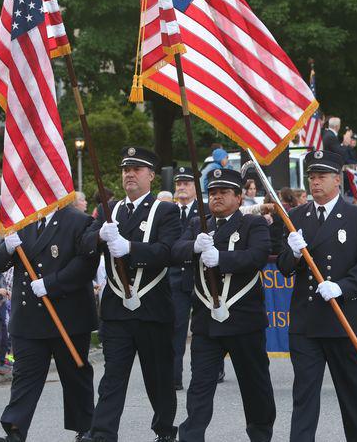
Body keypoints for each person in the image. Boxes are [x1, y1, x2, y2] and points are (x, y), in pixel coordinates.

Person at [276, 150, 357, 442]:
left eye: (321, 176)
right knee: (304, 396)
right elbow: (283, 267)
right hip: (306, 323)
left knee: (352, 396)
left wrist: (343, 287)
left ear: (337, 179)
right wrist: (294, 253)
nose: (315, 182)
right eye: (311, 176)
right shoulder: (296, 216)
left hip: (342, 318)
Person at [82, 147, 180, 442]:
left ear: (151, 175)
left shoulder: (165, 210)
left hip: (152, 308)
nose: (130, 174)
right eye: (126, 169)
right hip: (116, 309)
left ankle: (164, 430)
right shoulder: (110, 210)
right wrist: (99, 236)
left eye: (136, 169)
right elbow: (84, 244)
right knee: (113, 377)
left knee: (158, 377)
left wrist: (130, 248)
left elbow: (169, 252)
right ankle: (102, 433)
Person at [174, 169, 276, 442]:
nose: (217, 197)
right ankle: (191, 436)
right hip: (207, 321)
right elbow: (174, 249)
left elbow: (258, 256)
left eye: (224, 192)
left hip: (244, 320)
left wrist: (222, 257)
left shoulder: (253, 225)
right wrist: (193, 247)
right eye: (213, 193)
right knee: (200, 385)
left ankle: (260, 434)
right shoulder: (199, 224)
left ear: (239, 197)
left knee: (254, 385)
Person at [0, 206, 99, 442]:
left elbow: (86, 263)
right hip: (29, 317)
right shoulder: (22, 221)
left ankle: (85, 429)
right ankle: (15, 430)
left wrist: (52, 284)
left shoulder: (79, 221)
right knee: (24, 377)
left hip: (67, 315)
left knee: (75, 376)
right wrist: (7, 247)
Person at [169, 167, 203, 391]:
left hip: (200, 278)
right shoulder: (168, 211)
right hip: (176, 278)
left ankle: (209, 372)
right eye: (179, 183)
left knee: (205, 329)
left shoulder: (206, 210)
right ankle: (175, 376)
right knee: (176, 329)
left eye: (187, 183)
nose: (182, 187)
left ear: (195, 188)